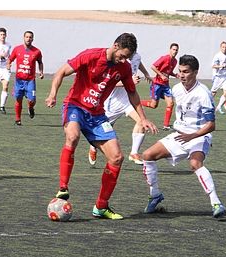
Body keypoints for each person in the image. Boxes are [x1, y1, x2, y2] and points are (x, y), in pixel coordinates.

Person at [45, 33, 158, 220]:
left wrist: (143, 118)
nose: (124, 60)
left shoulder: (124, 68)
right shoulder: (90, 55)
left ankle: (101, 206)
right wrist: (52, 94)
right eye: (122, 55)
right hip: (75, 106)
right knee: (72, 136)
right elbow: (61, 72)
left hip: (97, 115)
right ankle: (63, 188)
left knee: (117, 157)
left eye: (127, 58)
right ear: (115, 45)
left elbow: (132, 92)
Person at [141, 54, 226, 218]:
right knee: (147, 156)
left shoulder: (204, 93)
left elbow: (211, 125)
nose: (181, 75)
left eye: (186, 72)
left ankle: (216, 202)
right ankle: (155, 194)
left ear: (195, 72)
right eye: (179, 71)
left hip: (199, 136)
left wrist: (192, 135)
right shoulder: (176, 89)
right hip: (179, 135)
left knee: (195, 163)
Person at [88, 51, 152, 166]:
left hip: (127, 101)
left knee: (141, 122)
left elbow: (138, 62)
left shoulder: (136, 56)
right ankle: (93, 146)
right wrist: (128, 82)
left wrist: (146, 73)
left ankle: (134, 153)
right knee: (103, 131)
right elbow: (110, 82)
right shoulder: (118, 61)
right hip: (113, 103)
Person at [7, 31, 44, 125]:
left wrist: (41, 72)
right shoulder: (17, 49)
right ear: (24, 38)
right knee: (18, 99)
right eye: (27, 37)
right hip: (19, 80)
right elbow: (10, 59)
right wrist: (8, 65)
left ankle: (31, 107)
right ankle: (17, 119)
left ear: (33, 39)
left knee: (32, 100)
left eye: (30, 37)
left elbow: (40, 62)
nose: (28, 39)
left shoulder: (37, 51)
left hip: (30, 80)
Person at [140, 43, 179, 130]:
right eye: (173, 49)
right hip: (157, 84)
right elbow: (153, 66)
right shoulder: (164, 58)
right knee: (154, 105)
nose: (175, 51)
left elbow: (169, 72)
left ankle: (166, 125)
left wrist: (175, 75)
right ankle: (137, 103)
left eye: (176, 50)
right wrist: (161, 75)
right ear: (170, 50)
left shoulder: (175, 61)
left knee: (171, 103)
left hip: (165, 85)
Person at [211, 41, 226, 114]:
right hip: (218, 77)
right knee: (213, 93)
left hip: (224, 77)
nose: (225, 48)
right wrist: (220, 66)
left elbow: (225, 64)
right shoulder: (217, 55)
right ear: (220, 48)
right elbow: (213, 66)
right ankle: (205, 105)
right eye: (223, 47)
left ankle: (219, 107)